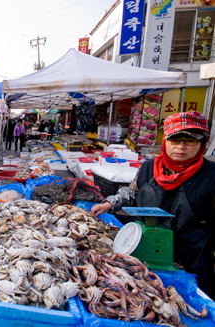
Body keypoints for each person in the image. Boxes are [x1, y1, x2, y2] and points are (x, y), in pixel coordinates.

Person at [90, 112, 215, 299]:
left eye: (189, 141)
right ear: (166, 140)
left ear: (201, 143)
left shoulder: (211, 176)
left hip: (192, 255)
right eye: (175, 140)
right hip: (146, 247)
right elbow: (132, 191)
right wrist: (110, 203)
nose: (181, 147)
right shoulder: (149, 167)